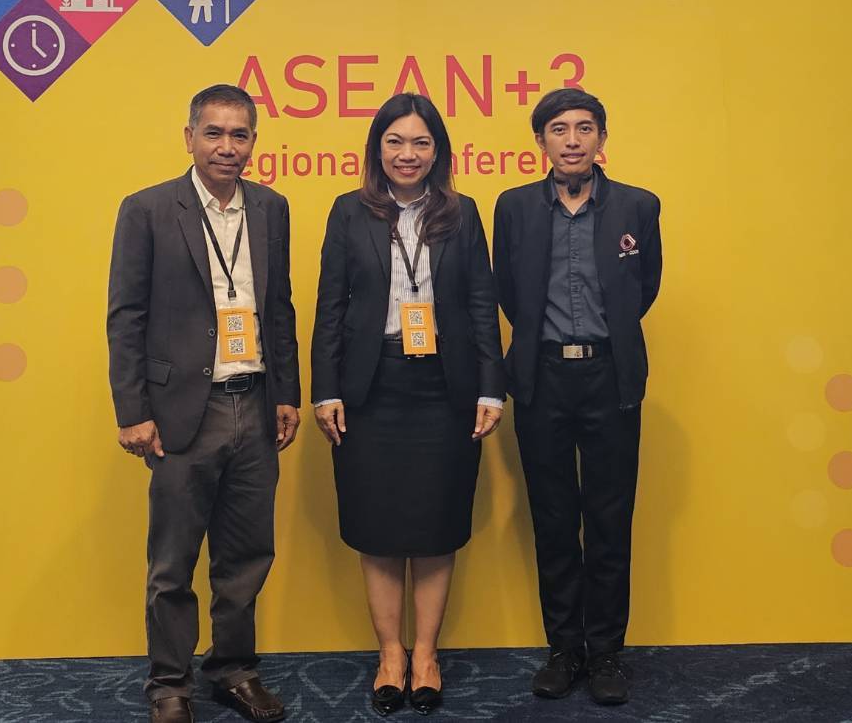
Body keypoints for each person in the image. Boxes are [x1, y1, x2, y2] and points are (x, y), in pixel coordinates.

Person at [107, 84, 302, 723]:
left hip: (256, 402)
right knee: (173, 563)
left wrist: (288, 393)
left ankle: (233, 670)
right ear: (189, 137)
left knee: (246, 557)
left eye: (239, 134)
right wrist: (133, 411)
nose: (226, 146)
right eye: (213, 133)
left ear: (254, 142)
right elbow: (126, 316)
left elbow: (278, 308)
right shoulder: (147, 209)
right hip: (180, 411)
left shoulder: (271, 208)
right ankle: (169, 684)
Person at [311, 92, 505, 716]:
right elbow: (330, 307)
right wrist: (326, 388)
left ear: (437, 151)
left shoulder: (462, 213)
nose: (407, 153)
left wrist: (490, 386)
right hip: (370, 389)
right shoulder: (349, 211)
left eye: (421, 142)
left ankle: (426, 655)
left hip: (446, 389)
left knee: (436, 526)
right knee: (377, 527)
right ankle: (389, 655)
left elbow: (481, 304)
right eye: (395, 141)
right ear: (377, 148)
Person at [492, 87, 663, 707]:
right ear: (541, 141)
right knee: (554, 517)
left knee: (610, 518)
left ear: (601, 139)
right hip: (541, 377)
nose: (572, 140)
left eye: (584, 128)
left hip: (610, 376)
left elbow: (643, 288)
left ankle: (608, 651)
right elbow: (508, 292)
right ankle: (564, 649)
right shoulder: (514, 207)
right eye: (559, 129)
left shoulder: (638, 206)